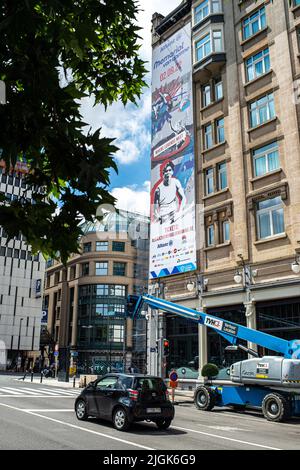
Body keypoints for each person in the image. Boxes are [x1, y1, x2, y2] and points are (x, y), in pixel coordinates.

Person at [154, 161, 186, 225]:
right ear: (163, 174)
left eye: (169, 170)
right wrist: (158, 216)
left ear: (172, 171)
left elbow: (183, 198)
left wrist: (180, 211)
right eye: (166, 171)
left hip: (174, 214)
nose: (168, 172)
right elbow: (155, 208)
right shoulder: (158, 189)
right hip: (164, 216)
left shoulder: (176, 182)